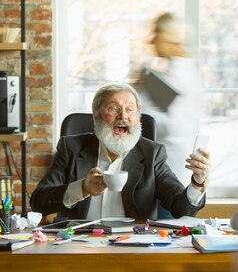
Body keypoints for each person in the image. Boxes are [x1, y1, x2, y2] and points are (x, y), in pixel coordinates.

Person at [30, 82, 210, 220]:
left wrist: (197, 182)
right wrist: (82, 188)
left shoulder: (152, 154)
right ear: (96, 115)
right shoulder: (71, 148)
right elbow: (38, 202)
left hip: (133, 246)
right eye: (113, 109)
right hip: (80, 245)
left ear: (137, 117)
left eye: (129, 109)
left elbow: (182, 209)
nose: (123, 116)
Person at [137, 12, 201, 186]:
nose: (151, 41)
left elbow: (174, 126)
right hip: (169, 166)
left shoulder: (180, 75)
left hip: (172, 168)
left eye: (156, 34)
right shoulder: (179, 71)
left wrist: (139, 102)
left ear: (169, 38)